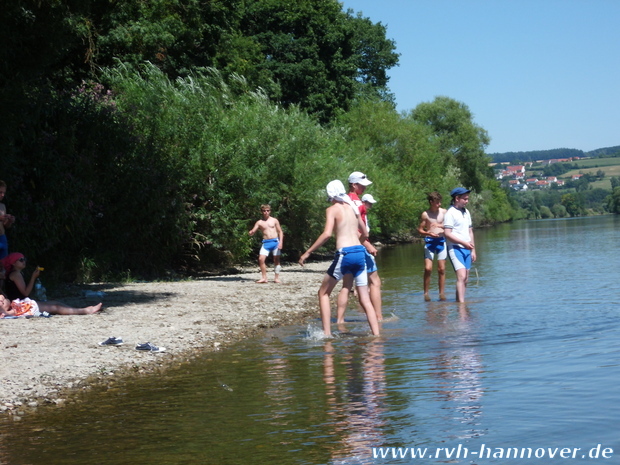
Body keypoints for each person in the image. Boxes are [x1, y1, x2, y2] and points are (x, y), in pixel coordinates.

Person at [298, 180, 380, 337]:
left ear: (330, 195)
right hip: (359, 253)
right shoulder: (353, 207)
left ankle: (327, 335)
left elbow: (327, 234)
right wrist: (358, 244)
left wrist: (307, 252)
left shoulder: (332, 209)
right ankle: (376, 336)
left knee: (323, 293)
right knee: (365, 299)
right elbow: (365, 234)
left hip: (345, 254)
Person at [336, 172, 383, 323]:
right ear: (354, 185)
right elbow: (356, 228)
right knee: (375, 281)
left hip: (346, 247)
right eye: (362, 185)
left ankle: (340, 321)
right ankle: (378, 318)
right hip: (359, 246)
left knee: (347, 285)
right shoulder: (356, 203)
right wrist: (367, 244)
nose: (364, 188)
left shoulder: (344, 201)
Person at [443, 187, 476, 303]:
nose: (467, 201)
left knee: (466, 279)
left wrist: (473, 250)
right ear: (457, 198)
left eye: (467, 199)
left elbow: (470, 231)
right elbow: (447, 233)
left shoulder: (466, 212)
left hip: (468, 249)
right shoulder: (450, 213)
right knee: (461, 276)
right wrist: (463, 243)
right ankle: (462, 306)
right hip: (455, 248)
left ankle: (459, 302)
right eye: (465, 199)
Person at [417, 191, 448, 301]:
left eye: (439, 202)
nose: (439, 204)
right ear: (431, 202)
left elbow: (450, 225)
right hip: (430, 241)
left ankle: (441, 294)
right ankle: (426, 293)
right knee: (428, 268)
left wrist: (439, 225)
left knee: (441, 269)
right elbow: (420, 229)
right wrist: (428, 233)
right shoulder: (425, 214)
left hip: (441, 241)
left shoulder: (444, 212)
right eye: (437, 202)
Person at [249, 204, 284, 283]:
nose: (266, 212)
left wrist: (281, 242)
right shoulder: (259, 222)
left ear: (270, 211)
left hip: (275, 242)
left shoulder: (274, 220)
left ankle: (276, 278)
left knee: (276, 260)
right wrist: (251, 232)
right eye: (264, 211)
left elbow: (280, 231)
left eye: (267, 211)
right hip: (266, 243)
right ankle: (264, 277)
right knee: (261, 259)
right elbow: (253, 230)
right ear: (261, 212)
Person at [0, 293, 102, 318]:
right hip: (31, 308)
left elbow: (6, 299)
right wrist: (3, 304)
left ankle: (78, 309)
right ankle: (85, 311)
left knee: (56, 303)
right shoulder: (8, 312)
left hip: (29, 304)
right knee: (56, 308)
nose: (2, 301)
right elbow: (6, 306)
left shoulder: (6, 306)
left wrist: (3, 301)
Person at [0, 181, 16, 259]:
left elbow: (5, 226)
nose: (2, 195)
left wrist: (9, 221)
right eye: (0, 192)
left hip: (2, 237)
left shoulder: (2, 206)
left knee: (3, 266)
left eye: (4, 192)